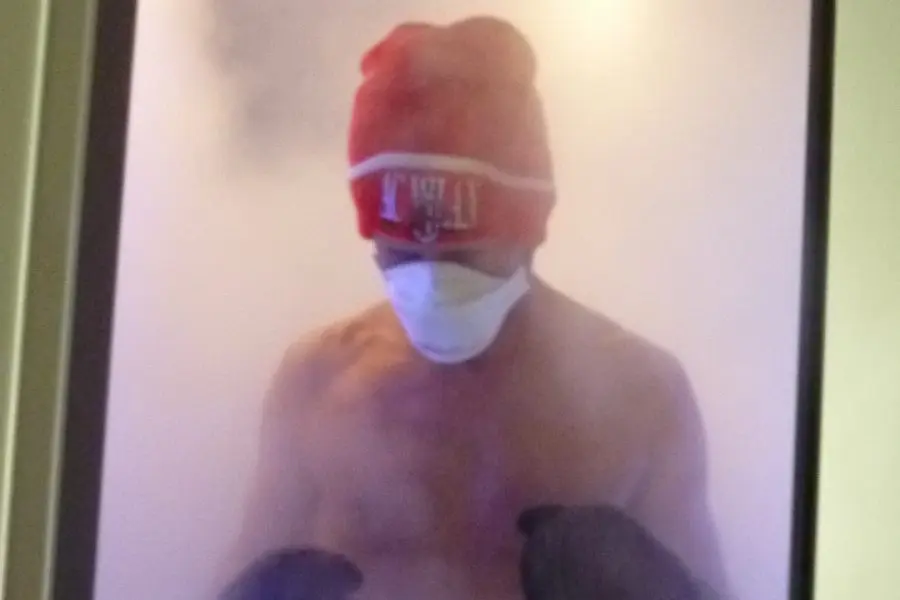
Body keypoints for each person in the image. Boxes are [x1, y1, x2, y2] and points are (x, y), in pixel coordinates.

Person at [216, 15, 731, 600]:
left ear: (530, 228)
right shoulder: (318, 379)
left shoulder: (640, 394)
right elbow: (241, 566)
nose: (433, 277)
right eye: (402, 251)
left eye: (464, 253)